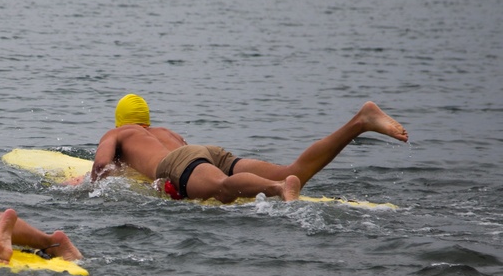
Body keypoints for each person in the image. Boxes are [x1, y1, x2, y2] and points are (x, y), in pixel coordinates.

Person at [91, 94, 409, 203]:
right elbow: (189, 157)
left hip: (179, 163)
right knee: (294, 170)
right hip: (206, 151)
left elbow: (101, 168)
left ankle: (278, 187)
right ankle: (360, 122)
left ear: (119, 121)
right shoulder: (166, 132)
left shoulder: (117, 133)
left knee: (221, 188)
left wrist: (89, 189)